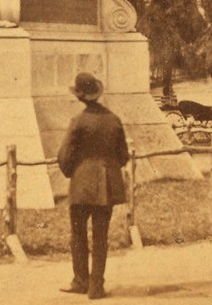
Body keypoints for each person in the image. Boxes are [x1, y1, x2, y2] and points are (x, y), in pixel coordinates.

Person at [57, 73, 129, 300]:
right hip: (106, 187)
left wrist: (73, 173)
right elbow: (123, 155)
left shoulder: (78, 122)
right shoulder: (114, 120)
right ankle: (96, 286)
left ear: (80, 96)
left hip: (81, 185)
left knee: (78, 234)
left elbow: (64, 156)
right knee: (101, 236)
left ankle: (81, 281)